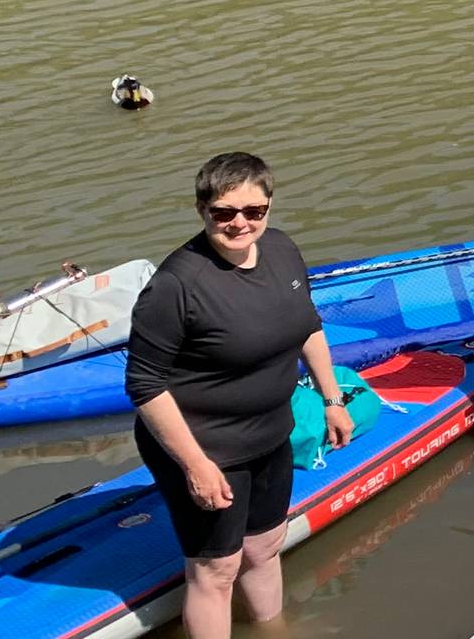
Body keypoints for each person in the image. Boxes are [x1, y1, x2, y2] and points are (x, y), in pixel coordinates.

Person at [126, 152, 353, 639]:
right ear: (201, 210)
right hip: (206, 447)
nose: (240, 223)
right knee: (215, 570)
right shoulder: (175, 286)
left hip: (271, 433)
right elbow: (145, 386)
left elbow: (308, 325)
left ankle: (275, 632)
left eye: (254, 211)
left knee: (266, 545)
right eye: (224, 212)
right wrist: (195, 464)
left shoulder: (283, 250)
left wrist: (332, 400)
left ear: (269, 207)